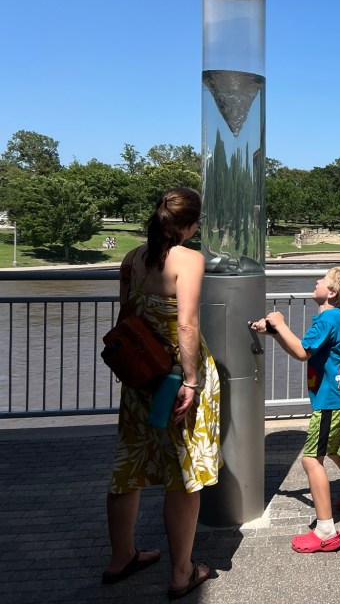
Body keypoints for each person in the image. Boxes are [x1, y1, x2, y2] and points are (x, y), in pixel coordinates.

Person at [103, 187, 221, 599]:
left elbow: (127, 317)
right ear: (191, 225)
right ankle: (181, 573)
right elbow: (186, 324)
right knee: (183, 474)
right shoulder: (188, 260)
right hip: (174, 379)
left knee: (128, 466)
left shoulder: (132, 259)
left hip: (141, 377)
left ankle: (121, 558)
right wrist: (190, 380)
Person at [251, 266, 340, 553]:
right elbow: (304, 350)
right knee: (336, 449)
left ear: (332, 292)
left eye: (323, 279)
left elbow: (301, 352)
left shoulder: (327, 319)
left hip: (332, 400)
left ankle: (326, 531)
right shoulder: (335, 317)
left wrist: (279, 322)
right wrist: (275, 332)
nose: (317, 280)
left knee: (311, 460)